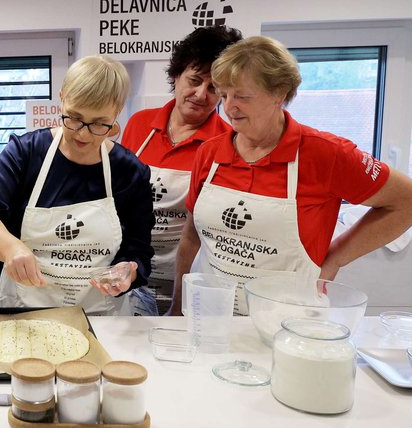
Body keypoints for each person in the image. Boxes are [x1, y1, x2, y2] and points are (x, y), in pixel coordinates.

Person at [171, 35, 412, 315]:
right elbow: (191, 237)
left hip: (288, 322)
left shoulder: (325, 154)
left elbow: (405, 201)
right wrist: (178, 306)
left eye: (242, 96)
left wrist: (335, 258)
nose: (229, 107)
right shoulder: (210, 153)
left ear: (279, 93)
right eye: (224, 95)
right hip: (212, 316)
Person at [0, 55, 154, 314]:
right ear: (62, 97)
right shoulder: (25, 153)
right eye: (74, 118)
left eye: (99, 123)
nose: (83, 133)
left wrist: (128, 269)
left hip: (97, 314)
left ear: (118, 110)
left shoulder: (129, 171)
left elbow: (138, 248)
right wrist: (11, 248)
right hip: (23, 309)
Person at [120, 25, 242, 315]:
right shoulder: (140, 124)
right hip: (130, 270)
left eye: (213, 88)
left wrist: (180, 301)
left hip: (189, 277)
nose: (200, 94)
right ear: (175, 75)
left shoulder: (228, 142)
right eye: (194, 80)